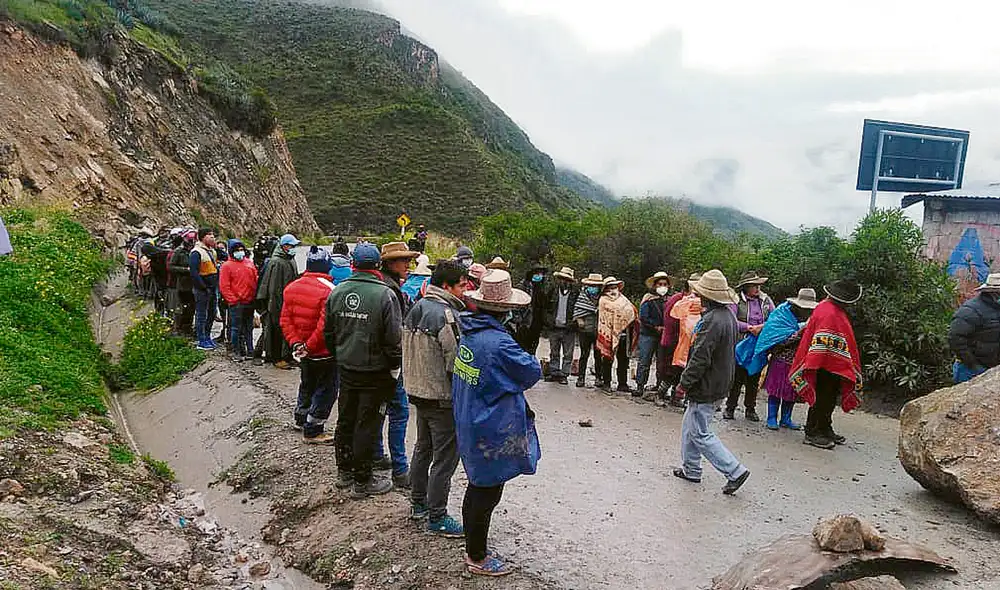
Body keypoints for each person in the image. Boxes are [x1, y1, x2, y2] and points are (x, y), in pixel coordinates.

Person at [452, 270, 541, 577]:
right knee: (487, 491)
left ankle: (472, 547)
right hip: (489, 425)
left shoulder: (470, 331)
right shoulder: (499, 343)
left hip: (469, 416)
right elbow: (530, 371)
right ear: (506, 309)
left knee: (477, 484)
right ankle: (477, 556)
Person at [322, 243, 401, 498]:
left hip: (347, 367)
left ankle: (344, 472)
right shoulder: (385, 295)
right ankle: (362, 480)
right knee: (367, 423)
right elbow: (393, 339)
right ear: (377, 266)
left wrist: (340, 355)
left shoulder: (337, 292)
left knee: (345, 419)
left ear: (353, 264)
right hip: (375, 371)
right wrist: (395, 367)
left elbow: (328, 332)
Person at [403, 260, 470, 537]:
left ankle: (418, 503)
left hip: (418, 391)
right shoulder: (446, 315)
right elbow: (455, 361)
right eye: (462, 285)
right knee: (444, 459)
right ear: (447, 286)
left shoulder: (417, 307)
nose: (465, 290)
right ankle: (438, 516)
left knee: (423, 449)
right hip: (441, 396)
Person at [672, 270, 751, 495]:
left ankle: (734, 470)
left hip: (707, 383)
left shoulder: (711, 321)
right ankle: (691, 469)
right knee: (690, 426)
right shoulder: (728, 316)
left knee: (700, 432)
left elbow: (700, 357)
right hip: (721, 380)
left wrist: (684, 383)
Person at [789, 278, 864, 450]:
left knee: (829, 398)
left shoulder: (834, 309)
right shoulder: (828, 311)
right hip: (821, 363)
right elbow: (821, 339)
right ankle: (812, 431)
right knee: (821, 397)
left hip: (833, 363)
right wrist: (820, 359)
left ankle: (825, 427)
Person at [736, 288, 818, 430]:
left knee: (791, 391)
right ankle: (772, 418)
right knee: (776, 390)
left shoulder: (812, 319)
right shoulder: (781, 316)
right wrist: (796, 334)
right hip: (780, 360)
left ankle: (786, 419)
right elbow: (775, 339)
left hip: (798, 362)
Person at [374, 242, 420, 488]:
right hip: (389, 363)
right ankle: (400, 470)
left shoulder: (381, 284)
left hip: (373, 362)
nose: (408, 265)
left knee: (379, 410)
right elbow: (394, 334)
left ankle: (376, 454)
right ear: (391, 263)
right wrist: (396, 364)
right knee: (399, 412)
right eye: (404, 261)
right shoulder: (390, 290)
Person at [282, 247, 338, 443]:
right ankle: (313, 429)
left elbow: (285, 320)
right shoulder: (329, 291)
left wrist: (297, 343)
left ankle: (301, 418)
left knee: (307, 383)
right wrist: (309, 346)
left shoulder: (291, 287)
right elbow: (325, 326)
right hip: (323, 351)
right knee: (326, 389)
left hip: (303, 351)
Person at [724, 271, 775, 422]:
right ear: (746, 287)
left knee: (754, 378)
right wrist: (749, 328)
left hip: (759, 345)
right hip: (740, 344)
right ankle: (730, 407)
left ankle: (750, 409)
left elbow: (774, 318)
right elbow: (731, 319)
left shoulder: (765, 300)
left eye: (758, 285)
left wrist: (762, 327)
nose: (757, 288)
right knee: (737, 378)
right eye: (754, 285)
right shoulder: (736, 300)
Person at [257, 234, 300, 369]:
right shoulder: (276, 262)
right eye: (292, 246)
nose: (294, 248)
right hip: (277, 303)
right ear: (284, 246)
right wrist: (275, 305)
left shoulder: (290, 260)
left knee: (288, 330)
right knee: (275, 330)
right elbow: (273, 287)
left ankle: (287, 356)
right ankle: (276, 358)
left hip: (289, 301)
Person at [948, 273, 1000, 383]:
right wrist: (973, 364)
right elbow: (955, 338)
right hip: (970, 370)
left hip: (992, 368)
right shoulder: (971, 310)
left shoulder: (996, 308)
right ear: (994, 293)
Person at [219, 240, 259, 361]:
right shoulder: (227, 266)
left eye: (241, 250)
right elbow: (224, 286)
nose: (240, 252)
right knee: (235, 328)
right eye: (237, 250)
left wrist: (254, 297)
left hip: (249, 301)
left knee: (249, 328)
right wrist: (233, 300)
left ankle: (250, 350)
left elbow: (255, 280)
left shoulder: (249, 263)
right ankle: (235, 350)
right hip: (236, 303)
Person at [596, 276, 636, 394]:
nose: (613, 289)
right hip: (608, 332)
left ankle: (622, 383)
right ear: (605, 289)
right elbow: (604, 317)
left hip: (624, 334)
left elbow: (632, 312)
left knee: (623, 360)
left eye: (615, 287)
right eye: (610, 287)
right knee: (607, 359)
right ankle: (606, 383)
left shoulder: (624, 300)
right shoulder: (603, 300)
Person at [670, 273, 704, 405]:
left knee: (690, 366)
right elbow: (675, 314)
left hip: (696, 336)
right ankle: (676, 395)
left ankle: (684, 396)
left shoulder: (704, 302)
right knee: (682, 367)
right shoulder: (685, 301)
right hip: (686, 336)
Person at [636, 272, 671, 399]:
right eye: (660, 284)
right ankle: (640, 386)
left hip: (664, 335)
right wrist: (655, 326)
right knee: (644, 360)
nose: (662, 287)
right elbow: (643, 317)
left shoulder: (670, 300)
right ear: (654, 285)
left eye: (665, 284)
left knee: (662, 363)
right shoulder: (648, 299)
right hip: (648, 334)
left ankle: (660, 388)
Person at [544, 267, 578, 385]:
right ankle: (554, 372)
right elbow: (546, 307)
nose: (564, 281)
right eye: (562, 279)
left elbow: (579, 310)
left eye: (567, 279)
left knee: (568, 353)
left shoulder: (575, 293)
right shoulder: (552, 291)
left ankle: (564, 374)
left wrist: (574, 323)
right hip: (554, 327)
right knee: (554, 352)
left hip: (569, 328)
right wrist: (548, 321)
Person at [658, 276, 689, 405]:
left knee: (680, 370)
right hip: (673, 340)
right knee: (669, 370)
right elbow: (670, 320)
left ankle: (675, 397)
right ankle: (660, 394)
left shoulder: (693, 301)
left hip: (684, 342)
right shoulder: (677, 300)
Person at [190, 228, 220, 350]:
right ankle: (201, 340)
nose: (212, 237)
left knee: (212, 313)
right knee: (202, 314)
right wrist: (203, 287)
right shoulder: (196, 252)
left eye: (213, 235)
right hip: (202, 288)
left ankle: (207, 336)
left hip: (213, 287)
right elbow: (194, 273)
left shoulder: (212, 251)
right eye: (209, 235)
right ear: (202, 237)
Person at [571, 273, 603, 388]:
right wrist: (579, 319)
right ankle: (581, 378)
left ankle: (598, 378)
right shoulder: (582, 296)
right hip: (584, 330)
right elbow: (577, 310)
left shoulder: (603, 298)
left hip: (599, 331)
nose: (593, 287)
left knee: (598, 356)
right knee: (584, 355)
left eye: (595, 286)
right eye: (591, 285)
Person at [515, 264, 549, 354]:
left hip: (537, 323)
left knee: (533, 348)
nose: (539, 275)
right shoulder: (522, 286)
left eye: (541, 273)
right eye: (537, 273)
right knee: (521, 347)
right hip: (524, 323)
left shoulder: (543, 287)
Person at [169, 230, 197, 337]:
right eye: (189, 240)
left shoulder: (195, 251)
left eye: (193, 240)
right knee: (183, 307)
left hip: (195, 284)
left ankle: (188, 328)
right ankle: (180, 328)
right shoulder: (179, 251)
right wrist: (186, 270)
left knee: (192, 308)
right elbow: (171, 267)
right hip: (183, 284)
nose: (191, 242)